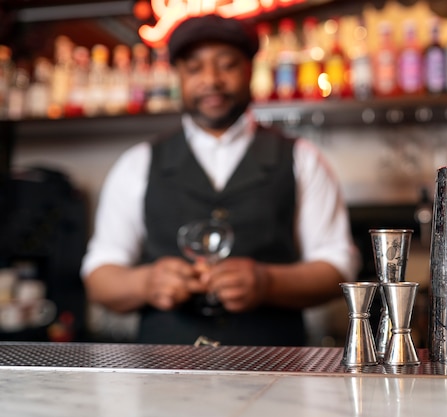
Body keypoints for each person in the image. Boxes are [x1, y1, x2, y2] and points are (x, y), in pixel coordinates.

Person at [80, 14, 360, 346]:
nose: (211, 80)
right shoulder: (137, 162)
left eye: (227, 65)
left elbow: (338, 267)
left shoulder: (302, 158)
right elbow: (100, 276)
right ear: (178, 75)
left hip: (274, 370)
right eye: (195, 68)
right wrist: (146, 282)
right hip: (164, 374)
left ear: (249, 70)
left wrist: (266, 282)